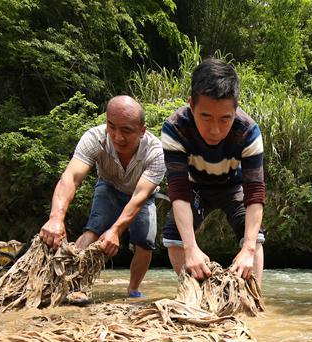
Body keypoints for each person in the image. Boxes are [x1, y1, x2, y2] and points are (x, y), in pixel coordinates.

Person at [40, 95, 165, 298]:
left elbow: (139, 197)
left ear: (142, 130)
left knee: (144, 241)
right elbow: (71, 177)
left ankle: (133, 289)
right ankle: (73, 284)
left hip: (141, 196)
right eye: (112, 127)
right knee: (94, 230)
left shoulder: (156, 152)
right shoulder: (94, 138)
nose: (117, 137)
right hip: (109, 187)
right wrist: (56, 217)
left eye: (126, 130)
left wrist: (115, 230)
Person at [160, 58, 266, 285]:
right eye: (205, 117)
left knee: (254, 237)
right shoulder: (175, 128)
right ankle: (191, 295)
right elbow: (178, 191)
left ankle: (255, 300)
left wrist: (248, 249)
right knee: (174, 236)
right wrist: (190, 248)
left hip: (233, 186)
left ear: (235, 110)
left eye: (225, 119)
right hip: (194, 187)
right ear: (191, 105)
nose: (215, 129)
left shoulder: (248, 131)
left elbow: (255, 192)